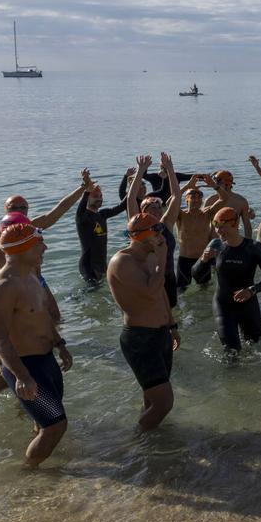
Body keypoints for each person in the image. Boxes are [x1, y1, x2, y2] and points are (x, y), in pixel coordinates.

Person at [0, 224, 71, 466]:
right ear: (22, 249)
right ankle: (29, 474)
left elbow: (42, 317)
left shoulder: (31, 276)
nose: (45, 248)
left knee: (44, 423)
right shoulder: (2, 286)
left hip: (46, 361)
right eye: (39, 244)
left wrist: (60, 343)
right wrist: (22, 376)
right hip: (25, 366)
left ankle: (45, 471)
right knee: (56, 425)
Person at [0, 212, 63, 397]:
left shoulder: (28, 258)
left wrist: (53, 314)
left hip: (18, 329)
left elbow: (39, 285)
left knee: (15, 381)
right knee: (18, 380)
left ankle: (2, 411)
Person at [107, 213, 180, 430]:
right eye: (156, 232)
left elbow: (161, 294)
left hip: (161, 334)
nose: (161, 236)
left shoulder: (150, 257)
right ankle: (138, 439)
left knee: (152, 398)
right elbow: (150, 292)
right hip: (140, 338)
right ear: (141, 237)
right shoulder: (122, 261)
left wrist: (172, 324)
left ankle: (149, 446)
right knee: (164, 402)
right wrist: (163, 256)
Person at [192, 207, 261, 351]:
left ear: (235, 224)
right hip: (223, 305)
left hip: (248, 304)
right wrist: (203, 260)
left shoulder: (254, 248)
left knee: (255, 347)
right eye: (216, 227)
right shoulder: (216, 245)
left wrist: (251, 290)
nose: (219, 232)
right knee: (231, 352)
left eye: (222, 227)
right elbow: (195, 275)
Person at [0, 171, 90, 248]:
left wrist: (83, 186)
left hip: (33, 279)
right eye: (13, 207)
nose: (19, 210)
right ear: (6, 210)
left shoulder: (33, 226)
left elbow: (61, 207)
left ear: (28, 210)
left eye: (23, 207)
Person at [126, 154, 181, 308]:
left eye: (159, 207)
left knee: (173, 315)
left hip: (169, 278)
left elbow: (176, 196)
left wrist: (170, 169)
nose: (157, 211)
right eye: (151, 208)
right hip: (147, 279)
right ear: (142, 211)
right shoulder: (139, 225)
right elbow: (131, 199)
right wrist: (141, 170)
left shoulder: (166, 224)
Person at [75, 182, 128, 286]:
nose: (99, 198)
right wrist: (86, 191)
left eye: (101, 196)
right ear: (87, 199)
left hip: (102, 265)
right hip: (89, 266)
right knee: (92, 290)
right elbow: (81, 208)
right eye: (95, 196)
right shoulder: (82, 218)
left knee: (100, 291)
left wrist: (131, 183)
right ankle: (73, 300)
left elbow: (122, 206)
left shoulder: (102, 215)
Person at [204, 169, 254, 239]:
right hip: (214, 241)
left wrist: (248, 244)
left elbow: (247, 226)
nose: (215, 185)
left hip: (233, 241)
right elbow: (203, 225)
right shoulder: (210, 200)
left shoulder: (241, 201)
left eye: (217, 183)